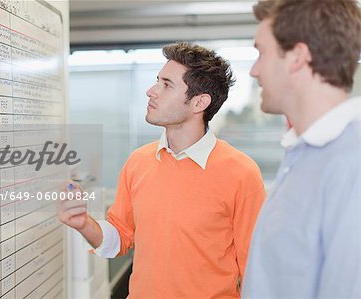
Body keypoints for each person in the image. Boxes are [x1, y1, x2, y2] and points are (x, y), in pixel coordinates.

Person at [58, 42, 266, 298]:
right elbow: (120, 238)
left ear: (199, 102)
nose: (151, 91)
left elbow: (257, 270)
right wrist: (84, 224)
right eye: (158, 81)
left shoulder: (241, 173)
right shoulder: (138, 161)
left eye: (166, 85)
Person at [243, 1, 361, 298]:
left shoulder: (352, 163)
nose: (254, 71)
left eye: (261, 52)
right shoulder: (306, 153)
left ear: (297, 57)